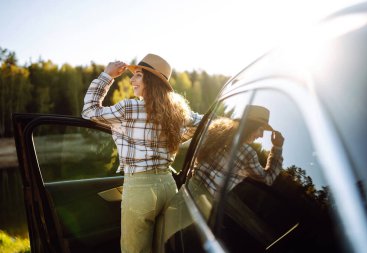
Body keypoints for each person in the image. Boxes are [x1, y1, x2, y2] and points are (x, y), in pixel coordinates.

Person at [82, 53, 202, 253]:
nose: (131, 79)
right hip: (168, 186)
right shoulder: (177, 112)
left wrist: (107, 75)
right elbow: (203, 123)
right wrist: (180, 136)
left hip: (140, 189)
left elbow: (89, 111)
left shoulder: (129, 108)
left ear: (151, 80)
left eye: (138, 75)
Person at [190, 105, 284, 216]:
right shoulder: (248, 153)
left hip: (189, 186)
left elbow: (195, 119)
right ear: (251, 126)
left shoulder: (219, 129)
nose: (262, 136)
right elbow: (268, 178)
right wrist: (277, 148)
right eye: (261, 130)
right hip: (200, 205)